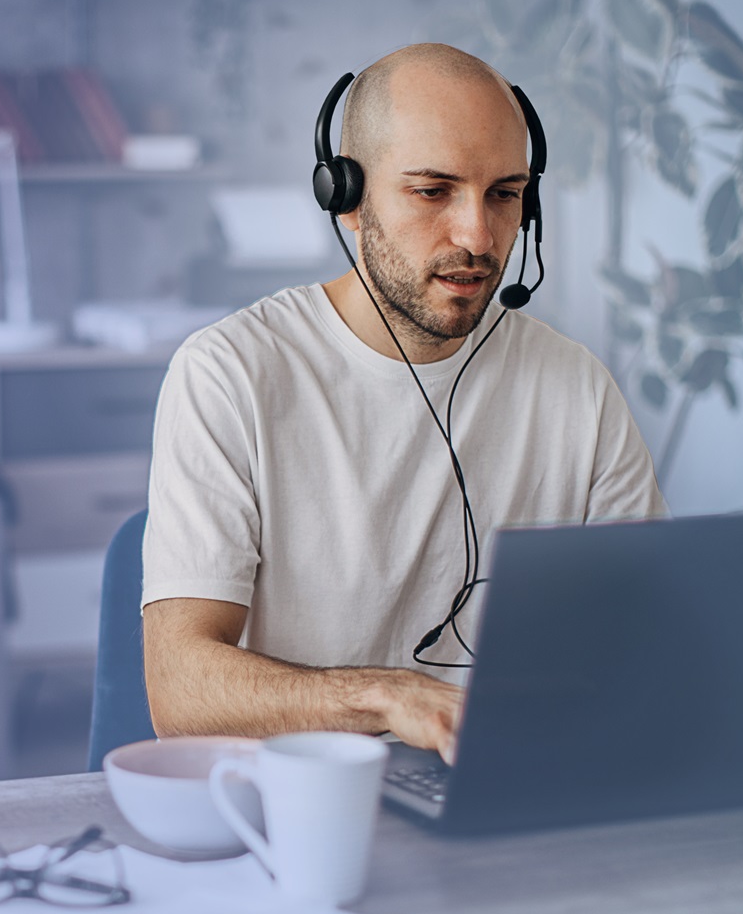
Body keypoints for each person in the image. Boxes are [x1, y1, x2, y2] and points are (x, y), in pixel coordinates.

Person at [140, 43, 667, 763]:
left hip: (513, 788)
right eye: (433, 191)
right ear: (346, 198)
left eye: (505, 194)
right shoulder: (230, 373)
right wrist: (389, 697)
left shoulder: (576, 386)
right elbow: (180, 693)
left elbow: (646, 642)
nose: (478, 236)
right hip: (304, 811)